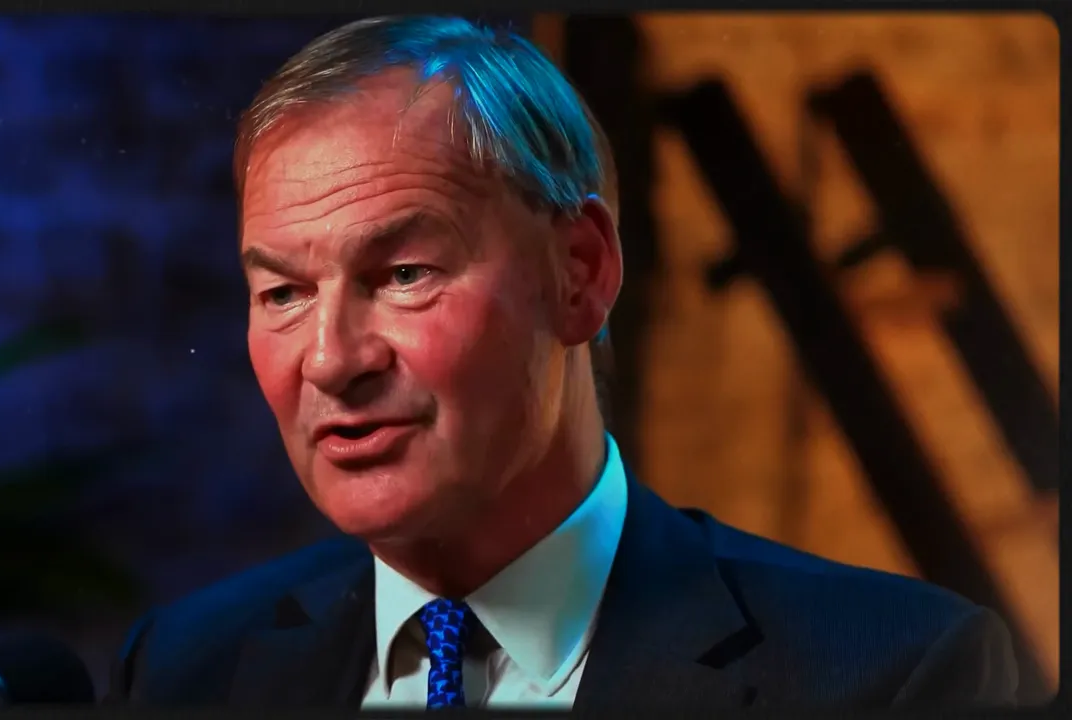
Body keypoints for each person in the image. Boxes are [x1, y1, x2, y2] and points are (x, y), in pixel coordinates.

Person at [104, 15, 1017, 710]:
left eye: (404, 274)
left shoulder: (891, 676)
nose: (331, 359)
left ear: (579, 272)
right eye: (283, 293)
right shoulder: (182, 671)